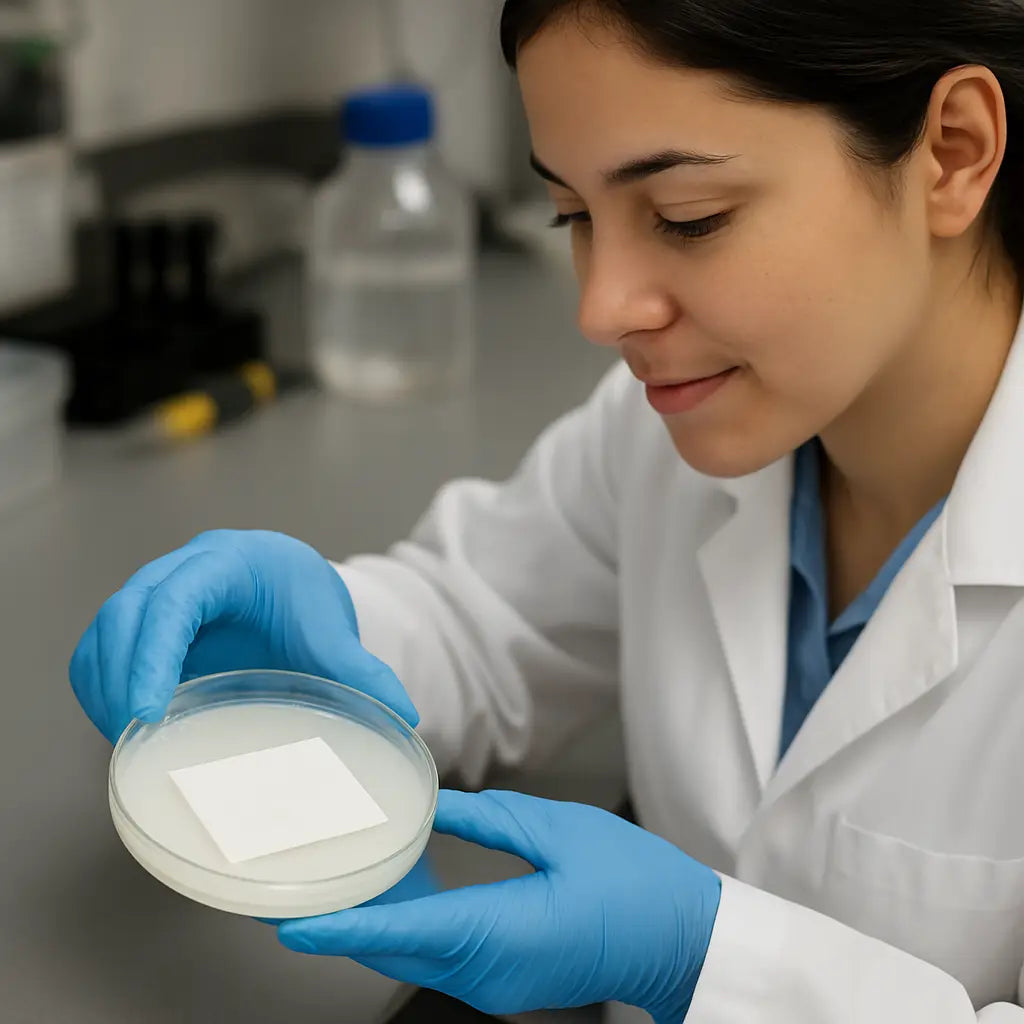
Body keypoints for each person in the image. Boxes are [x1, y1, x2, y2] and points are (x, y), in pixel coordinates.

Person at [70, 1, 1024, 1021]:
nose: (601, 307)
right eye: (574, 215)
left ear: (951, 153)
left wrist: (700, 958)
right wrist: (313, 649)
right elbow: (486, 623)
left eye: (688, 214)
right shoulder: (676, 428)